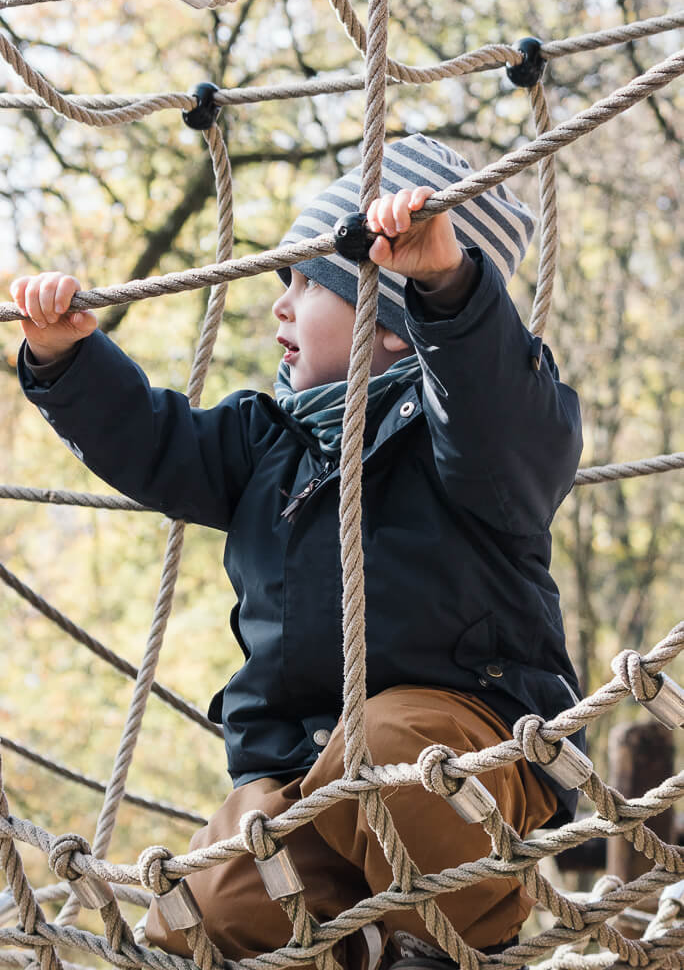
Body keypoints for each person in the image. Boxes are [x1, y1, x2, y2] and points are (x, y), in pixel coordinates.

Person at [13, 134, 584, 970]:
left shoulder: (472, 440)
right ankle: (357, 945)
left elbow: (497, 409)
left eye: (309, 284)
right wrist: (67, 359)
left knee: (385, 745)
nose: (280, 305)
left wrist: (448, 290)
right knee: (198, 913)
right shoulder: (265, 440)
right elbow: (154, 442)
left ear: (392, 328)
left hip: (468, 760)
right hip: (301, 779)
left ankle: (456, 936)